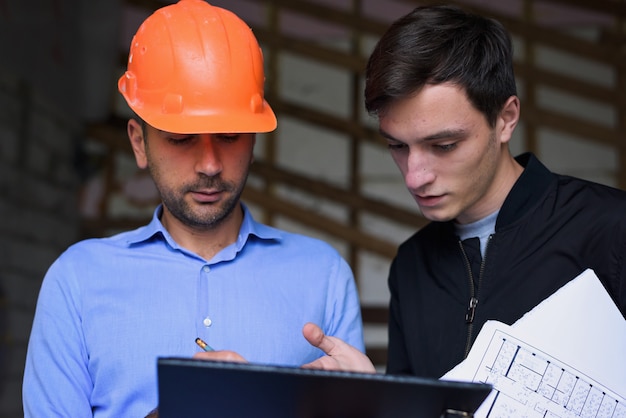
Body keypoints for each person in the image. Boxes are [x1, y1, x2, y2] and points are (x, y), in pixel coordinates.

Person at [22, 1, 364, 417]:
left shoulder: (323, 276)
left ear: (255, 139)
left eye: (230, 135)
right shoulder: (76, 282)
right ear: (138, 142)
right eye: (181, 138)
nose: (209, 164)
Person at [303, 4, 626, 378]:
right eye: (398, 146)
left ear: (505, 119)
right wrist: (378, 395)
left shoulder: (612, 230)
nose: (414, 177)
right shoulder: (412, 265)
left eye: (443, 146)